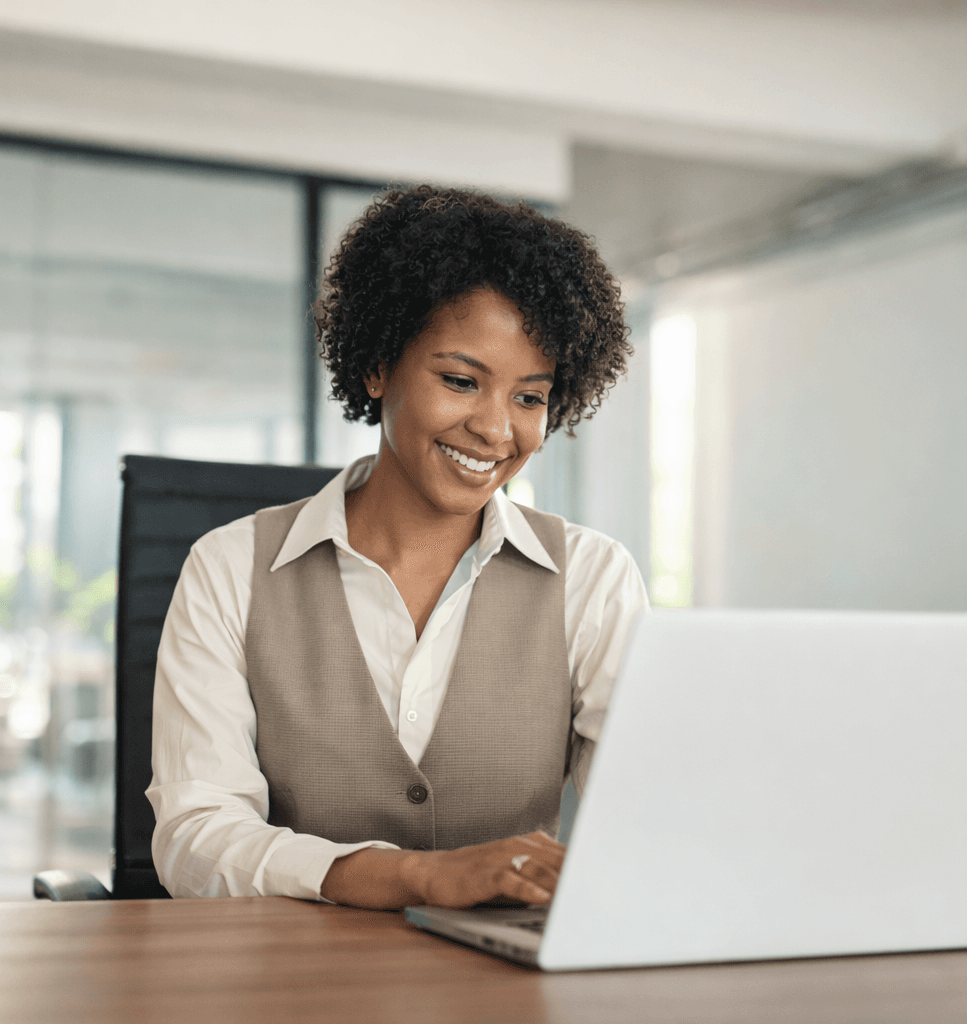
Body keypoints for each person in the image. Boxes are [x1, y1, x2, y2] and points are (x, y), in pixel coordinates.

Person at [146, 185, 647, 909]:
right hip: (288, 980)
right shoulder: (229, 568)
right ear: (378, 365)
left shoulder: (593, 580)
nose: (496, 429)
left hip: (505, 989)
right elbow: (195, 839)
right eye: (460, 381)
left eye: (530, 398)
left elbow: (641, 817)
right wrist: (413, 876)